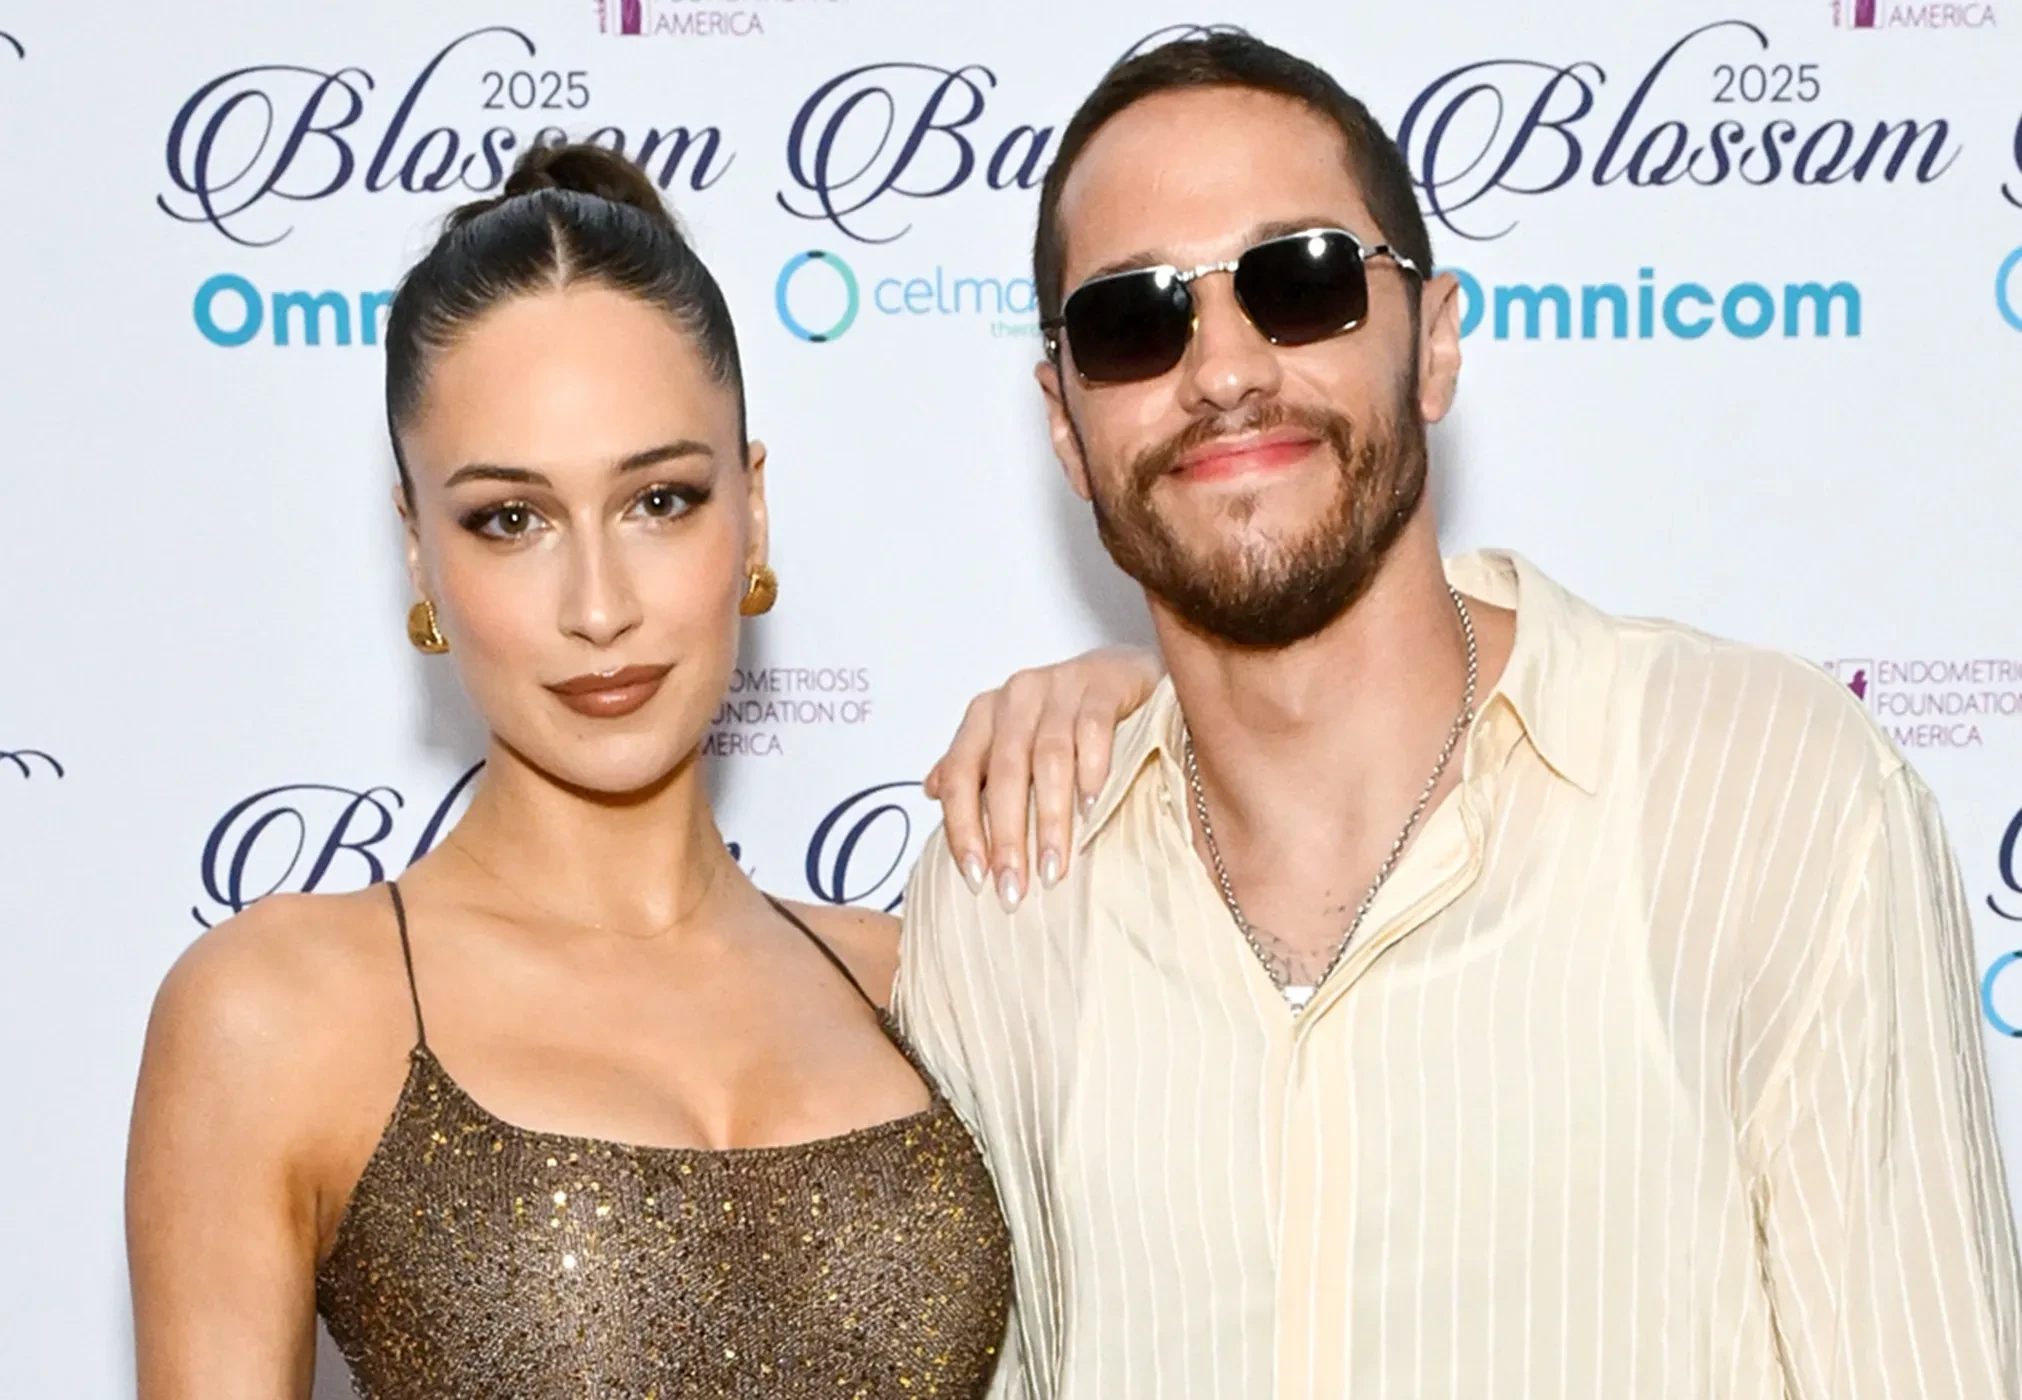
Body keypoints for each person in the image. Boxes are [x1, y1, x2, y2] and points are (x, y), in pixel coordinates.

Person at [901, 32, 2022, 1399]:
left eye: (1301, 281)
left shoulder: (1769, 795)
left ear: (1432, 343)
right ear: (1067, 425)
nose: (1225, 369)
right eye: (1133, 320)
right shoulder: (1008, 896)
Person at [124, 143, 1139, 1400]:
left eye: (659, 500)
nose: (598, 605)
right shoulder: (280, 1011)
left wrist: (1154, 699)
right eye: (511, 518)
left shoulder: (920, 978)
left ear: (751, 509)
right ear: (418, 548)